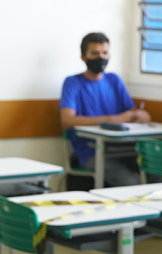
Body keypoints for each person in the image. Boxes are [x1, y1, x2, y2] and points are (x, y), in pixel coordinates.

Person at [59, 32, 151, 186]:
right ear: (83, 57)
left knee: (158, 174)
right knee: (131, 183)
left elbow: (132, 113)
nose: (101, 57)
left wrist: (141, 115)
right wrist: (110, 119)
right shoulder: (73, 83)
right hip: (91, 151)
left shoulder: (113, 80)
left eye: (105, 53)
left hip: (123, 149)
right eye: (94, 53)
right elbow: (67, 121)